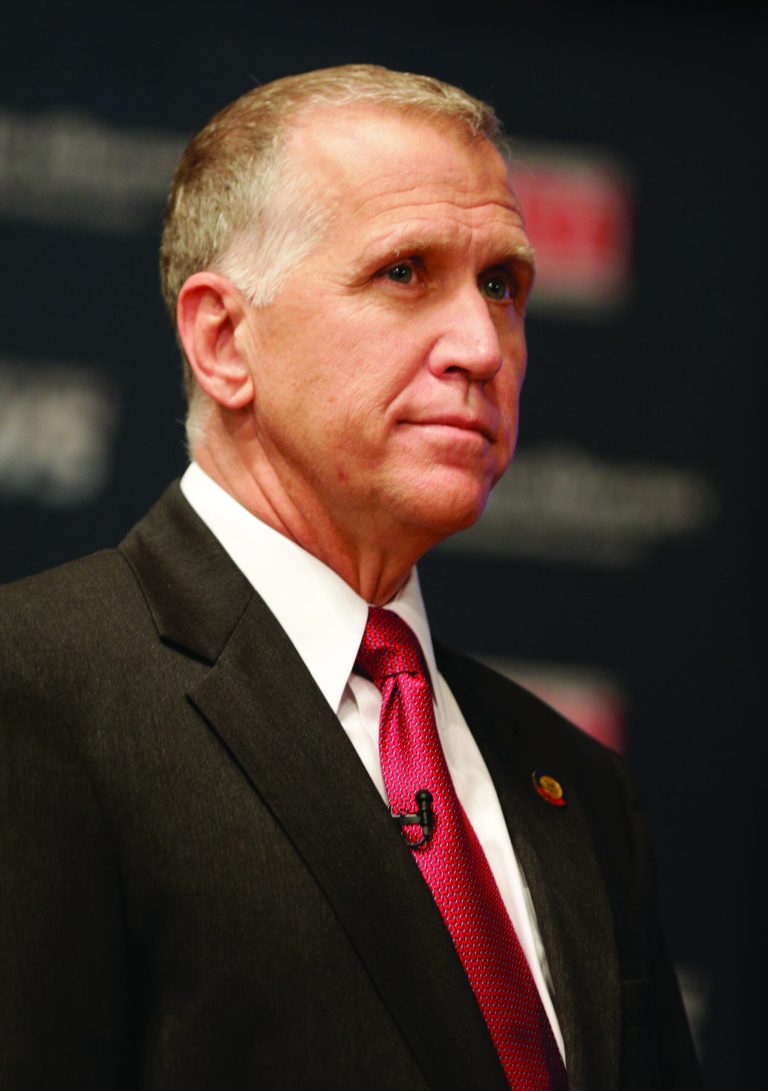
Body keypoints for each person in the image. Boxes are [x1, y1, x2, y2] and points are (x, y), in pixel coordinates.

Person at [0, 65, 700, 1090]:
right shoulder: (36, 688)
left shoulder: (574, 783)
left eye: (502, 285)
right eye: (405, 273)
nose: (479, 345)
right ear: (223, 338)